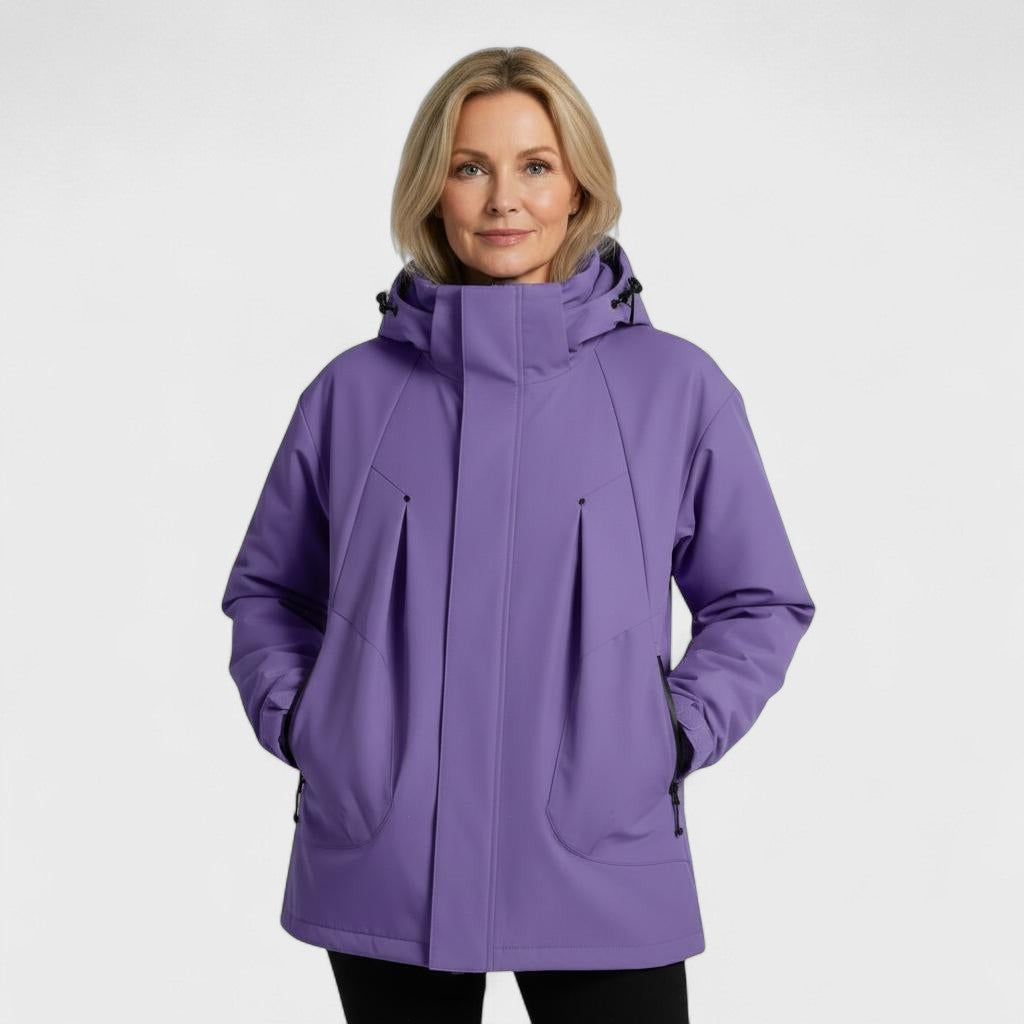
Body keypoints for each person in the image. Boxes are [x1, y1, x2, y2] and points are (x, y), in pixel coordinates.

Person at [221, 46, 815, 1024]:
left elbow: (759, 599)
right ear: (432, 189)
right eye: (470, 166)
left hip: (599, 847)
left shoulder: (675, 388)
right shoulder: (350, 393)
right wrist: (307, 724)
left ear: (579, 186)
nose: (504, 198)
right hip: (384, 849)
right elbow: (270, 591)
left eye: (535, 165)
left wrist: (668, 733)